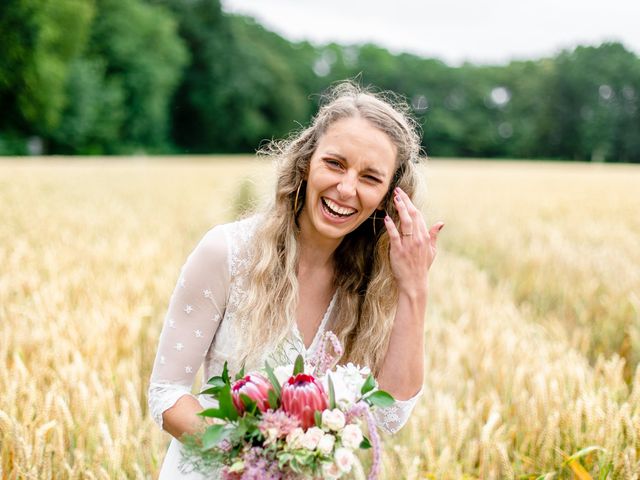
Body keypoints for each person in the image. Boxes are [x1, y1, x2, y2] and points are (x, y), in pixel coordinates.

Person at [148, 81, 444, 479]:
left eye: (370, 178)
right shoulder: (228, 252)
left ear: (390, 196)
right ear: (307, 162)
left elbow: (389, 414)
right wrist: (257, 459)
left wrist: (413, 286)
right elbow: (167, 396)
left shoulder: (374, 285)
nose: (346, 188)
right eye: (335, 164)